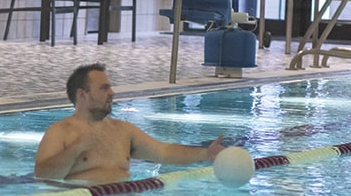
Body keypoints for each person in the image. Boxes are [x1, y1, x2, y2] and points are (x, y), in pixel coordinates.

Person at [35, 63, 222, 184]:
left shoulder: (122, 130)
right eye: (104, 88)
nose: (112, 93)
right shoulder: (60, 131)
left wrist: (205, 154)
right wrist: (76, 149)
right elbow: (42, 174)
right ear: (82, 94)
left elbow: (164, 152)